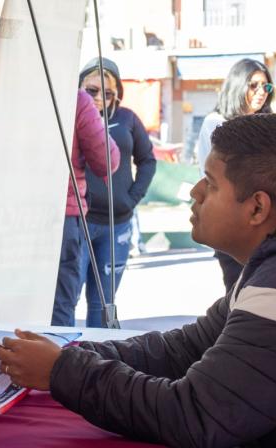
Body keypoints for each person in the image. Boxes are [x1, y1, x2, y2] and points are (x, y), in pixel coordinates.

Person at [0, 114, 276, 448]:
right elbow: (181, 350)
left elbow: (191, 415)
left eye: (212, 182)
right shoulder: (272, 271)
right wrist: (68, 354)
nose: (195, 191)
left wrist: (60, 371)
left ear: (257, 208)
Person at [74, 58, 156, 328]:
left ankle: (94, 362)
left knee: (103, 302)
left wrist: (132, 198)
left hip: (117, 222)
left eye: (106, 93)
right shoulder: (71, 118)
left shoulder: (128, 118)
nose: (98, 98)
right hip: (80, 221)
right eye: (91, 91)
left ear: (117, 93)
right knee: (68, 297)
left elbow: (148, 160)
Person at [196, 58, 274, 293]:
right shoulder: (216, 123)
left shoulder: (271, 123)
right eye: (254, 85)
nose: (261, 92)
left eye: (266, 86)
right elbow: (221, 178)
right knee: (238, 294)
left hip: (266, 222)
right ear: (238, 85)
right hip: (232, 220)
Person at [49, 89, 120, 327]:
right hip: (62, 215)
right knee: (59, 306)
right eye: (92, 90)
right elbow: (106, 160)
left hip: (3, 212)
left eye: (108, 92)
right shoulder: (74, 99)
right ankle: (57, 361)